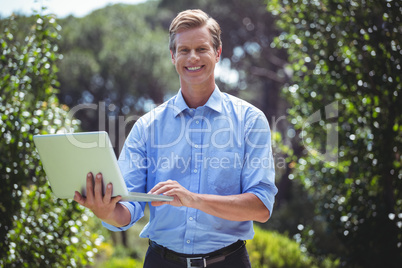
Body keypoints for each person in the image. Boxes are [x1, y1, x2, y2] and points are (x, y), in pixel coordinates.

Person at [74, 9, 278, 268]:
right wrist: (104, 210)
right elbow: (126, 210)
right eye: (184, 50)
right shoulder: (147, 127)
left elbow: (261, 207)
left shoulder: (250, 120)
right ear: (173, 56)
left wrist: (194, 199)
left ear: (218, 53)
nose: (192, 57)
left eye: (202, 48)